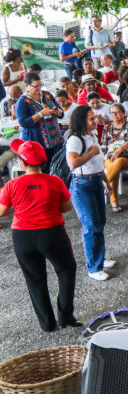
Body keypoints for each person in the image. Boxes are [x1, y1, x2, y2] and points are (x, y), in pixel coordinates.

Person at [0, 139, 81, 331]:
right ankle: (66, 317)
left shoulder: (12, 185)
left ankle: (47, 324)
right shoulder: (55, 181)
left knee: (35, 280)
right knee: (66, 270)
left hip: (22, 237)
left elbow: (2, 212)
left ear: (22, 162)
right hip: (51, 233)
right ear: (43, 161)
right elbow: (66, 207)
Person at [65, 106, 115, 280]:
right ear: (82, 121)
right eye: (91, 119)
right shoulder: (75, 140)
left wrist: (106, 181)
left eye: (95, 117)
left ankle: (100, 258)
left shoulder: (92, 135)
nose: (96, 121)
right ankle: (93, 267)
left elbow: (97, 162)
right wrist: (90, 152)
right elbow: (73, 163)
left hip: (95, 181)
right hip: (82, 185)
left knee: (99, 222)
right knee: (91, 225)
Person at [16, 72, 64, 167]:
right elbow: (23, 123)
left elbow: (61, 113)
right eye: (36, 86)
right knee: (43, 168)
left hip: (55, 139)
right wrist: (40, 114)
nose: (39, 89)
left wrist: (58, 112)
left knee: (57, 166)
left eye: (40, 85)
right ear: (27, 86)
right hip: (38, 141)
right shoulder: (22, 102)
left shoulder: (47, 95)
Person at [101, 103, 128, 212]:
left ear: (124, 113)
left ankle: (104, 182)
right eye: (112, 113)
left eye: (117, 112)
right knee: (113, 165)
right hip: (110, 157)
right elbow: (103, 145)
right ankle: (114, 202)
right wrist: (107, 156)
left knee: (117, 162)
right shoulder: (107, 127)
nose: (114, 115)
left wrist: (119, 150)